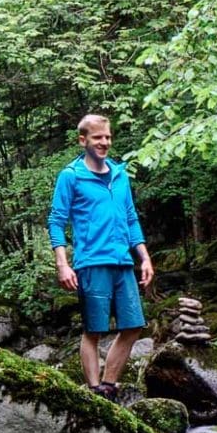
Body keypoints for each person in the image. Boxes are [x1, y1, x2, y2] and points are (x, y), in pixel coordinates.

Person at [47, 114, 154, 401]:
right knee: (94, 329)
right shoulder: (71, 176)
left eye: (107, 137)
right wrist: (62, 263)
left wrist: (144, 257)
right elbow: (56, 221)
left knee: (133, 326)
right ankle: (95, 391)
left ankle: (109, 384)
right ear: (83, 140)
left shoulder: (120, 175)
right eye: (97, 137)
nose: (104, 142)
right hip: (91, 263)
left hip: (123, 262)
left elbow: (131, 219)